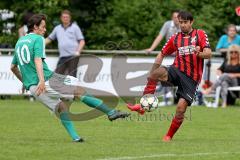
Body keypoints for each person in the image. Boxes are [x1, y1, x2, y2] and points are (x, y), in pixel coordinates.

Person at [11, 14, 130, 142]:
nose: (45, 30)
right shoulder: (38, 39)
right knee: (79, 90)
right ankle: (111, 113)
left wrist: (26, 82)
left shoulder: (19, 42)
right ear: (35, 27)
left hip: (34, 89)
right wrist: (41, 80)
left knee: (61, 107)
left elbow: (13, 67)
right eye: (43, 27)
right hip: (46, 80)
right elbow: (37, 59)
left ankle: (75, 138)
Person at [127, 11, 212, 142]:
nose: (183, 25)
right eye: (181, 22)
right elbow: (161, 54)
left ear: (191, 22)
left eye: (185, 22)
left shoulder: (200, 34)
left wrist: (199, 53)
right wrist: (152, 72)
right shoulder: (175, 38)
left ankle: (169, 136)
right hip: (176, 70)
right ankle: (143, 106)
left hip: (191, 78)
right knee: (155, 73)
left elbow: (208, 53)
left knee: (180, 109)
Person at [146, 10, 180, 106]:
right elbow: (160, 36)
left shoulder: (183, 26)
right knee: (163, 74)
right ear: (172, 18)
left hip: (179, 56)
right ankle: (166, 99)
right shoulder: (167, 25)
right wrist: (151, 48)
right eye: (175, 17)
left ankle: (180, 98)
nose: (176, 19)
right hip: (169, 55)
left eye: (178, 17)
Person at [45, 10, 85, 77]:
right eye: (64, 17)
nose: (65, 18)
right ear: (61, 18)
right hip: (62, 56)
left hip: (73, 56)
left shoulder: (75, 27)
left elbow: (82, 41)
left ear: (70, 18)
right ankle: (59, 87)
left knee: (72, 76)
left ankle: (73, 87)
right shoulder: (57, 28)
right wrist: (39, 43)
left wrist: (78, 51)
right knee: (57, 75)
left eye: (67, 17)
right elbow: (49, 39)